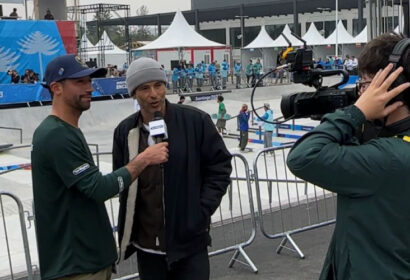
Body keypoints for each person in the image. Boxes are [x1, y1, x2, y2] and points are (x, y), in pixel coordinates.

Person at [31, 54, 168, 280]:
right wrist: (144, 158)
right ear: (56, 88)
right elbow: (99, 189)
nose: (90, 88)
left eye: (90, 82)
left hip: (87, 260)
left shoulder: (66, 130)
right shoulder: (56, 135)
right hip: (77, 265)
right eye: (80, 82)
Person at [287, 33, 410, 279]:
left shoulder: (388, 159)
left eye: (365, 84)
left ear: (391, 88)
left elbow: (303, 157)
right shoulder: (391, 147)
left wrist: (356, 113)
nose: (360, 92)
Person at [113, 57, 232, 280]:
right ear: (133, 94)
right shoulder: (124, 132)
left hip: (189, 243)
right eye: (145, 88)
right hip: (147, 246)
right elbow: (123, 180)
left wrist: (201, 211)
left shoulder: (195, 121)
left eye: (158, 85)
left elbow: (220, 167)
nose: (154, 94)